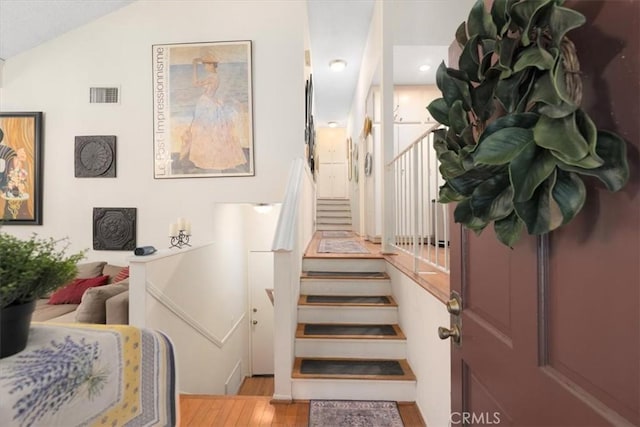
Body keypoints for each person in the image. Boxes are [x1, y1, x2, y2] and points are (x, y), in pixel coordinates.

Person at [181, 54, 246, 171]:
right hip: (208, 102)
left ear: (211, 65)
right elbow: (211, 92)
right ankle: (205, 158)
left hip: (206, 104)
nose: (205, 67)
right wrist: (215, 101)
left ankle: (206, 159)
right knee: (208, 132)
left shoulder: (212, 77)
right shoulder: (215, 76)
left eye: (206, 64)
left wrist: (194, 66)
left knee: (206, 132)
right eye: (204, 64)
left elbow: (195, 83)